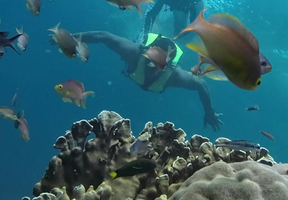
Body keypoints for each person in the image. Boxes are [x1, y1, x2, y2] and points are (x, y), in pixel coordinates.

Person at [76, 31, 223, 130]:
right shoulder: (134, 53)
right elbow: (104, 36)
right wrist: (73, 38)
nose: (153, 67)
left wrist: (209, 112)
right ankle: (143, 33)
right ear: (145, 53)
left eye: (159, 64)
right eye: (151, 60)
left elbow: (201, 84)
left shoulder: (174, 75)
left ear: (168, 66)